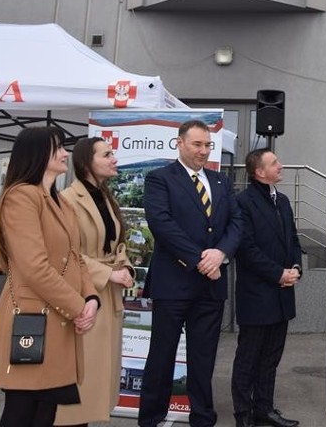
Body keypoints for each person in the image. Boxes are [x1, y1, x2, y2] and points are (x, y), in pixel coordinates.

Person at [0, 127, 100, 427]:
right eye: (58, 148)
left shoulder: (60, 202)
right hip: (31, 319)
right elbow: (34, 267)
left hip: (57, 319)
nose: (65, 153)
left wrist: (91, 298)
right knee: (22, 411)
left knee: (45, 412)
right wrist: (79, 306)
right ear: (38, 154)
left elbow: (77, 258)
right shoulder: (21, 197)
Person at [138, 120, 241, 427]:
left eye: (207, 145)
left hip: (210, 288)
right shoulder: (160, 179)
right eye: (197, 144)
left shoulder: (220, 181)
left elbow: (236, 223)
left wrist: (221, 253)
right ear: (179, 143)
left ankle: (202, 418)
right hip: (174, 284)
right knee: (162, 356)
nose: (203, 151)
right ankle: (151, 419)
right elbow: (162, 224)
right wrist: (200, 259)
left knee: (204, 359)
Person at [54, 137, 136, 426]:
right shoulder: (67, 199)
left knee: (100, 372)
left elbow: (116, 243)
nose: (114, 159)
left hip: (108, 295)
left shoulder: (105, 196)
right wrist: (108, 273)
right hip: (84, 295)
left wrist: (124, 266)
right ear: (86, 161)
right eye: (107, 154)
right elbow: (65, 251)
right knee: (83, 373)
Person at [231, 148, 303, 427]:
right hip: (257, 295)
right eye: (274, 163)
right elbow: (246, 249)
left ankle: (264, 409)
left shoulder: (283, 201)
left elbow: (293, 241)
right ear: (259, 172)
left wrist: (295, 268)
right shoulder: (243, 202)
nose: (281, 165)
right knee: (248, 358)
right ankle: (243, 414)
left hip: (282, 295)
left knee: (271, 358)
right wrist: (278, 274)